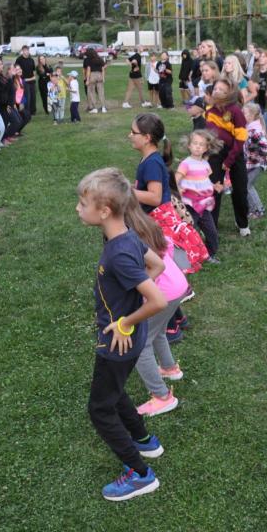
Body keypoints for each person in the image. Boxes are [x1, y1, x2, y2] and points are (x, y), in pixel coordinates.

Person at [75, 167, 168, 501]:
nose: (77, 208)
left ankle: (141, 475)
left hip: (118, 340)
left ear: (104, 211)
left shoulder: (118, 252)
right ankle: (144, 441)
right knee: (113, 392)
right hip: (131, 338)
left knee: (100, 408)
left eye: (82, 203)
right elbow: (156, 265)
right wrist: (132, 297)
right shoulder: (125, 235)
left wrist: (125, 321)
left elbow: (157, 300)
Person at [122, 197, 187, 417]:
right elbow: (168, 248)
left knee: (139, 344)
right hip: (177, 285)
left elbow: (139, 272)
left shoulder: (128, 237)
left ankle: (162, 397)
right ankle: (169, 368)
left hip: (163, 292)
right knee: (157, 330)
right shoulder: (148, 223)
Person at [130, 113, 209, 273]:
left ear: (147, 138)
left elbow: (155, 197)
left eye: (133, 132)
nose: (130, 135)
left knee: (169, 259)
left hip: (160, 219)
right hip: (157, 217)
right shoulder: (148, 159)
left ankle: (176, 279)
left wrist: (128, 192)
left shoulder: (152, 163)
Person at [205, 79, 250, 236]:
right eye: (215, 88)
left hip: (235, 152)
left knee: (240, 190)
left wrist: (229, 160)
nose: (216, 91)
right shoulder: (210, 110)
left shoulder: (235, 111)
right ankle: (211, 227)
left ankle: (242, 223)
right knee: (214, 190)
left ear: (229, 94)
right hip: (215, 153)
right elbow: (209, 133)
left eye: (221, 90)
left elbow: (241, 138)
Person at [175, 129, 223, 263]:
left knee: (212, 232)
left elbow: (203, 181)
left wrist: (214, 186)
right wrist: (178, 188)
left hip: (203, 206)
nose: (197, 147)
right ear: (189, 145)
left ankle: (209, 254)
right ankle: (180, 259)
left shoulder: (205, 164)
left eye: (201, 145)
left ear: (206, 148)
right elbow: (175, 179)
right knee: (185, 232)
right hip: (189, 206)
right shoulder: (186, 164)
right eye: (195, 143)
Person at [243, 102, 267, 219]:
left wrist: (254, 154)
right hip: (251, 163)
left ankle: (259, 210)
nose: (241, 114)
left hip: (257, 164)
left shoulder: (255, 131)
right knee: (245, 185)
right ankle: (252, 209)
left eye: (244, 113)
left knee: (247, 186)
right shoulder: (249, 127)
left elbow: (265, 147)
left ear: (251, 115)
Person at [14, 45, 37, 116]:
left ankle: (33, 111)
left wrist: (33, 77)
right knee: (27, 97)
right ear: (23, 51)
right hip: (23, 82)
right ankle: (27, 112)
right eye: (25, 50)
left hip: (32, 81)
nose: (27, 51)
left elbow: (34, 71)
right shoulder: (19, 59)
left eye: (27, 50)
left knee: (33, 97)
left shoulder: (31, 60)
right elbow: (16, 69)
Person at [84, 48, 107, 113]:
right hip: (99, 75)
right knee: (101, 92)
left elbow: (88, 70)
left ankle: (95, 108)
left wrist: (87, 80)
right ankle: (103, 107)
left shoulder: (89, 60)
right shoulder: (99, 59)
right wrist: (103, 77)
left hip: (92, 75)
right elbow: (104, 67)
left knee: (92, 92)